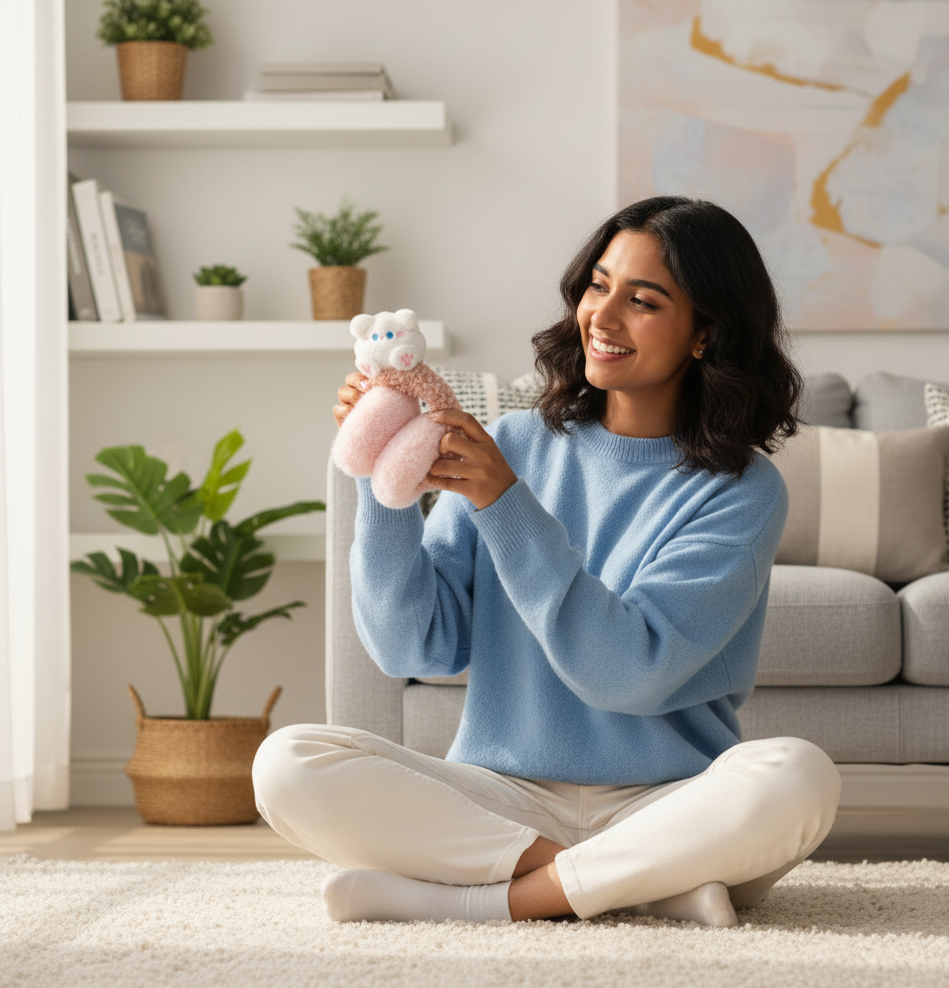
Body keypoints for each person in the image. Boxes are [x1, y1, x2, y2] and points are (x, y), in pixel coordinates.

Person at [252, 195, 841, 927]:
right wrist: (385, 476)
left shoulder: (743, 492)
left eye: (643, 300)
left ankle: (481, 901)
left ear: (705, 334)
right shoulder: (516, 442)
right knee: (288, 763)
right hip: (502, 796)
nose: (603, 314)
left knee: (797, 777)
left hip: (667, 801)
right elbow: (413, 645)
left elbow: (626, 673)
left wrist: (508, 505)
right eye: (597, 285)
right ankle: (637, 885)